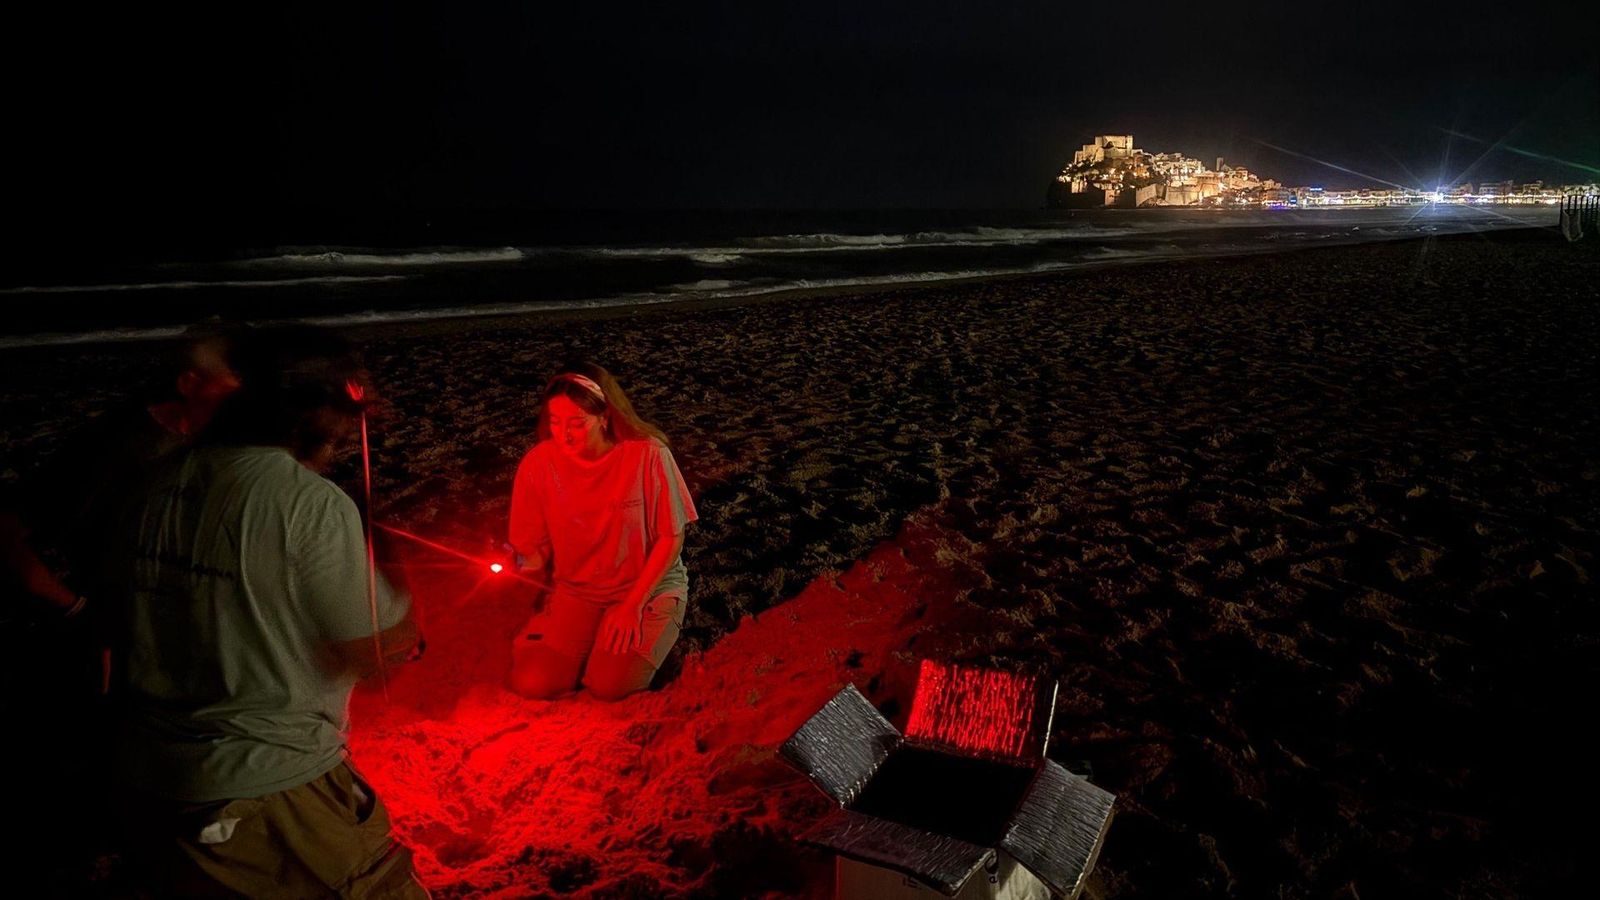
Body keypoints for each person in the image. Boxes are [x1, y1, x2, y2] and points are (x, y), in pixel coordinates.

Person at [112, 326, 427, 898]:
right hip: (264, 783)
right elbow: (376, 650)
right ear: (314, 413)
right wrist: (397, 586)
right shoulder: (306, 503)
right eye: (346, 418)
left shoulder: (154, 482)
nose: (345, 439)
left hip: (146, 777)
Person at [507, 362, 697, 702]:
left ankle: (657, 634)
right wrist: (517, 560)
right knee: (534, 683)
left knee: (609, 686)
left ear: (604, 417)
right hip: (579, 592)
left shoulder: (647, 453)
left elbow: (672, 537)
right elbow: (533, 551)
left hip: (646, 588)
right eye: (555, 421)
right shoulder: (538, 465)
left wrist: (632, 605)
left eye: (577, 423)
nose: (564, 435)